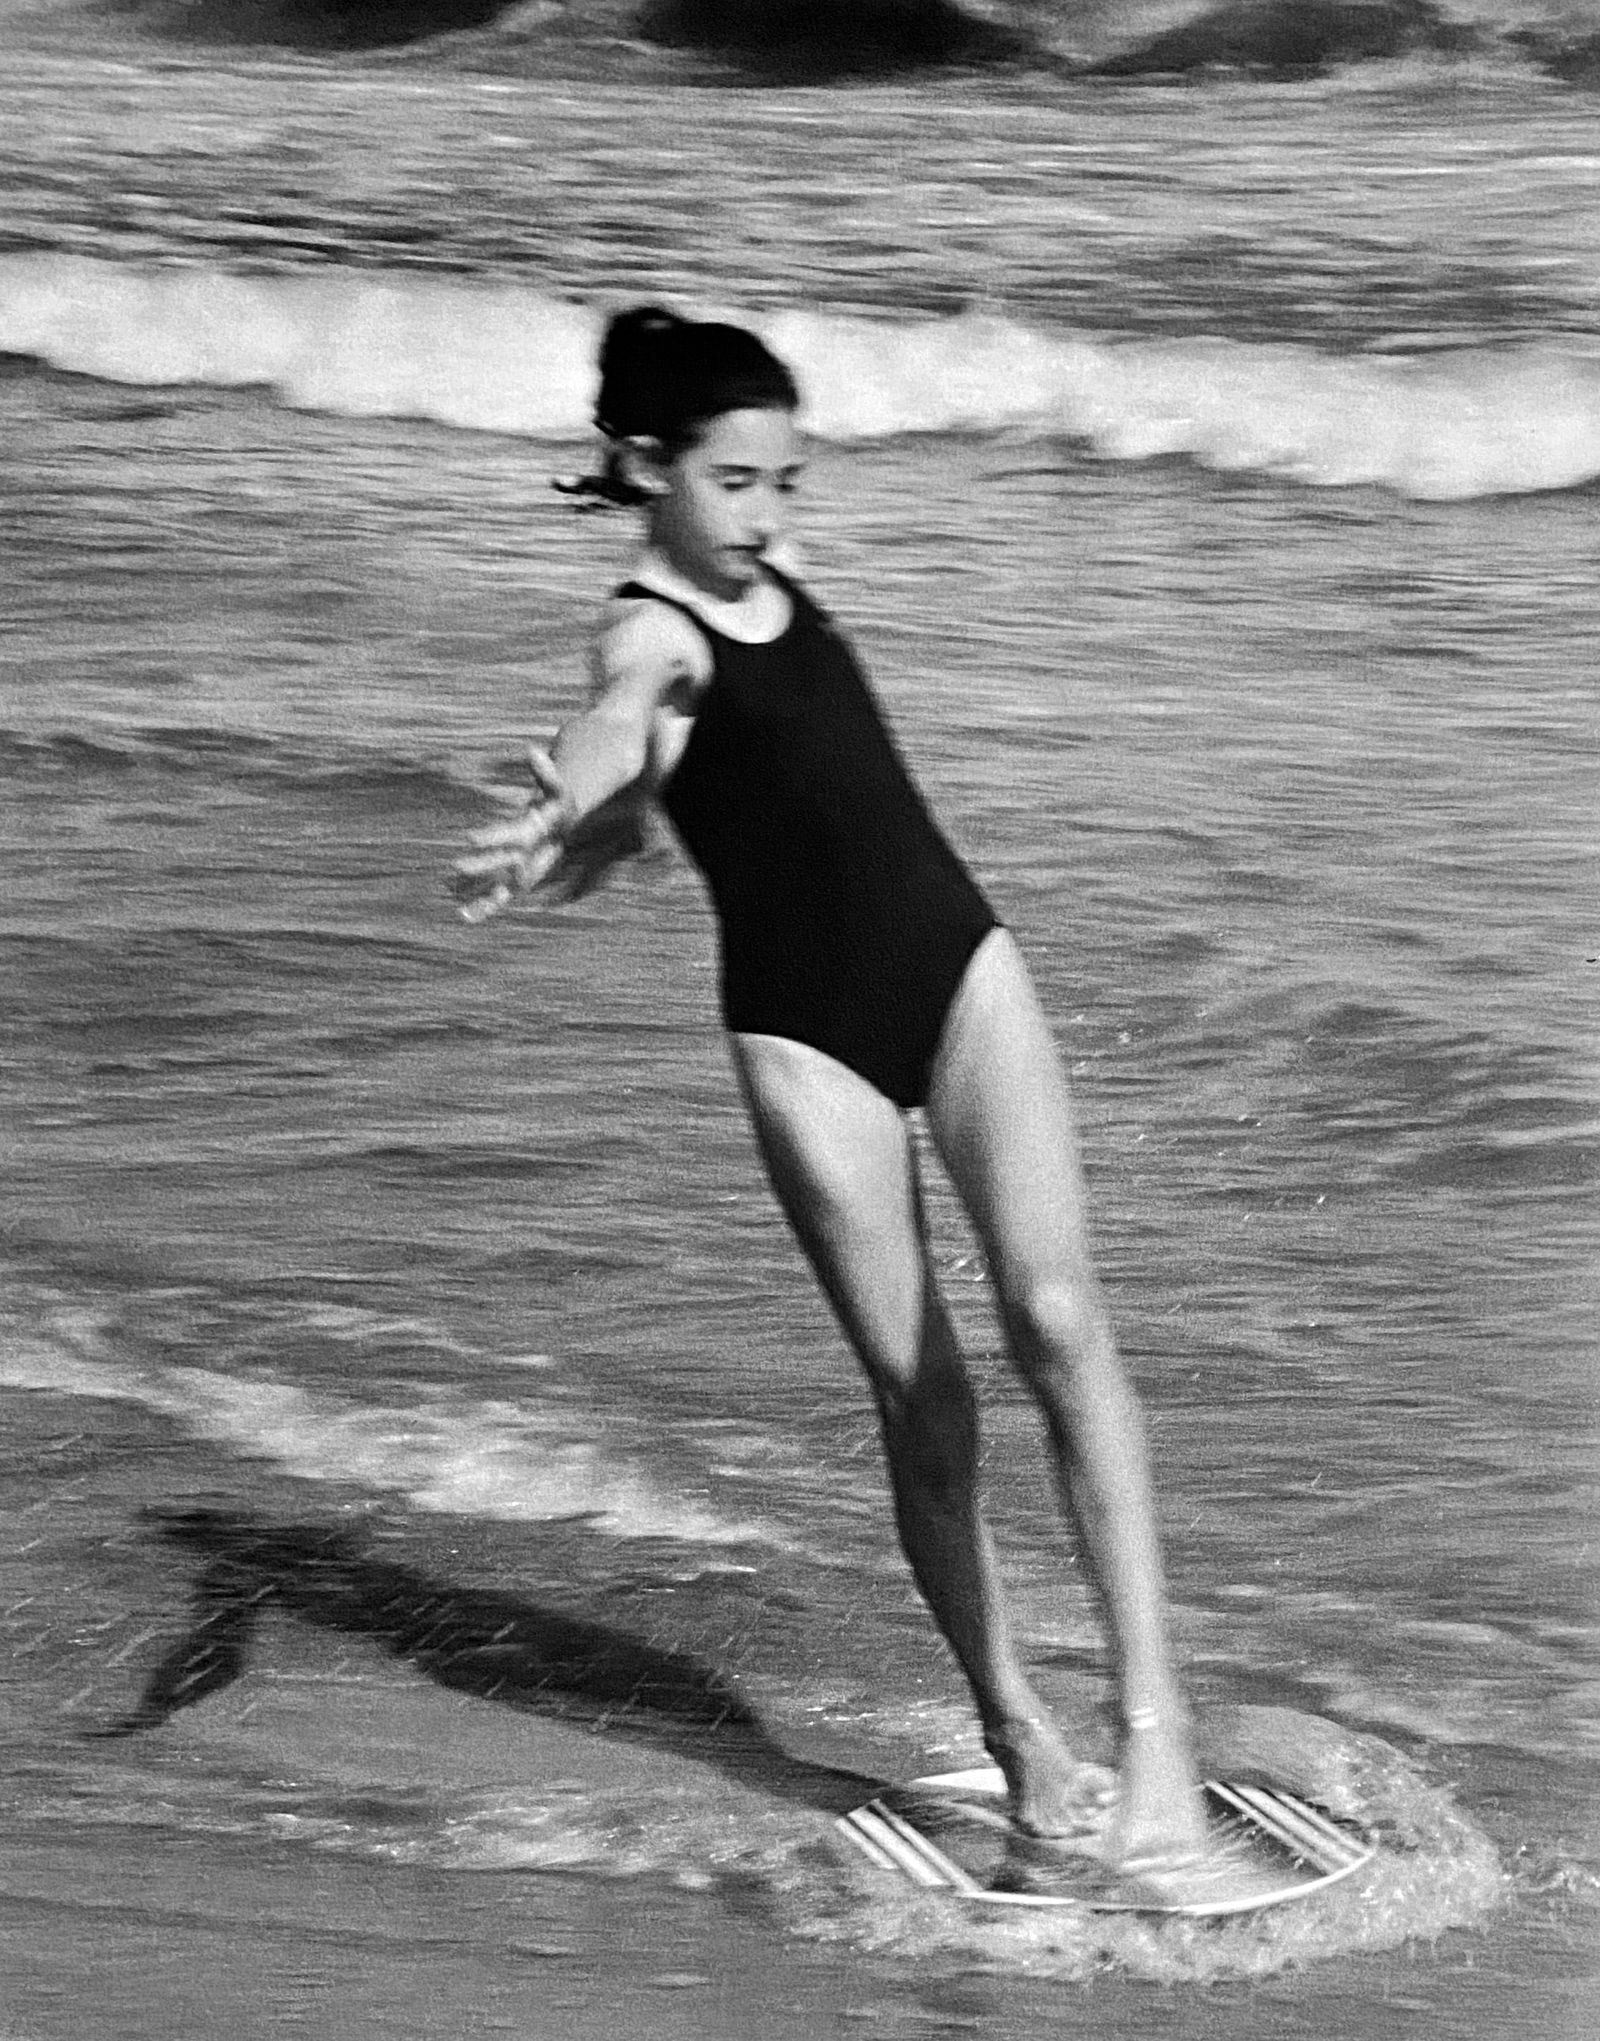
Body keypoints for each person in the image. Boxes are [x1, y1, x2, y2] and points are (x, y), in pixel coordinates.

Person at [452, 305, 1207, 1872]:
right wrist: (565, 796)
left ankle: (1157, 1730)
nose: (770, 516)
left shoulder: (757, 580)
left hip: (957, 967)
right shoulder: (650, 629)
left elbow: (657, 780)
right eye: (737, 483)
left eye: (787, 481)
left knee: (1060, 1318)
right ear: (649, 471)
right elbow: (623, 714)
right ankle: (1014, 1723)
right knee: (924, 1397)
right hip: (804, 1033)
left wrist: (598, 817)